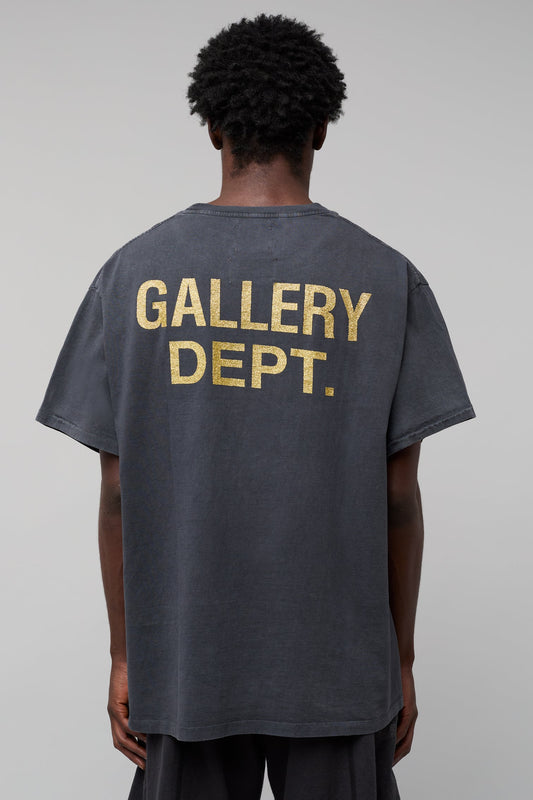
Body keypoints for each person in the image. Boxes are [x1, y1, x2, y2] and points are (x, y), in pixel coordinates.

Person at [35, 12, 476, 800]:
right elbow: (397, 495)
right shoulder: (384, 277)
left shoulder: (132, 275)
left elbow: (118, 489)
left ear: (212, 128)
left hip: (185, 663)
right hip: (338, 666)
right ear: (321, 129)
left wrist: (126, 656)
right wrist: (400, 660)